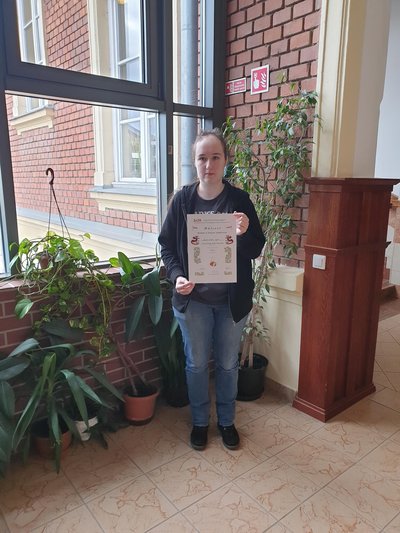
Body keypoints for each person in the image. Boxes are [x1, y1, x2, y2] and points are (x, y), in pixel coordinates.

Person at [158, 128, 265, 451]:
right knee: (195, 364)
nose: (209, 164)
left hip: (232, 304)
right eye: (202, 158)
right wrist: (177, 276)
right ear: (194, 162)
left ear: (225, 160)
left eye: (215, 157)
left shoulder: (239, 200)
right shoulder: (183, 201)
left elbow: (255, 249)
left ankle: (227, 421)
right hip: (194, 303)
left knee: (228, 364)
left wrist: (244, 233)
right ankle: (201, 422)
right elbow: (167, 247)